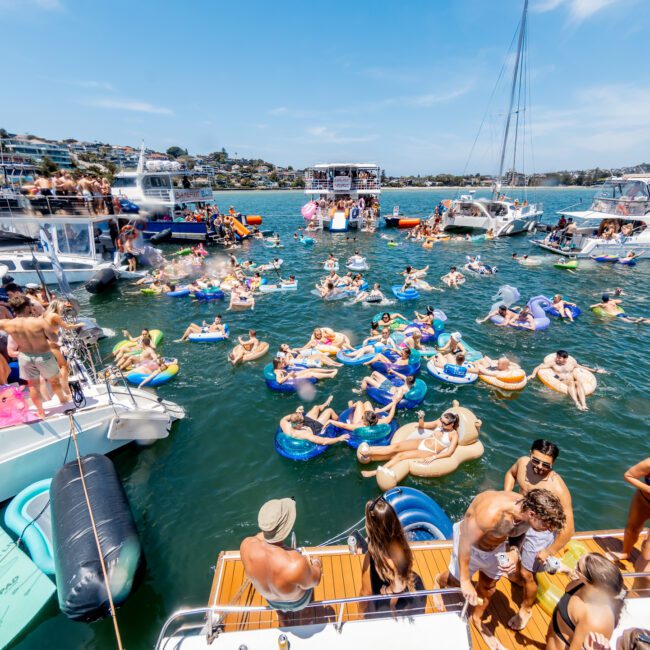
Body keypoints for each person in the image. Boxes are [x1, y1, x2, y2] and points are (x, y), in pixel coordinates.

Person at [434, 489, 566, 650]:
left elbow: (519, 533)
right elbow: (465, 541)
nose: (547, 530)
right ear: (532, 514)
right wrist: (465, 580)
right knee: (454, 582)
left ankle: (477, 619)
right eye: (545, 525)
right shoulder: (490, 514)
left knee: (489, 587)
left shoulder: (525, 511)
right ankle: (437, 581)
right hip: (469, 546)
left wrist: (513, 552)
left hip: (497, 547)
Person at [503, 440, 575, 630]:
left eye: (546, 464)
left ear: (553, 465)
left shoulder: (557, 487)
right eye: (536, 461)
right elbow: (510, 474)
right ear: (530, 455)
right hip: (522, 517)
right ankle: (517, 577)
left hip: (541, 529)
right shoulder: (522, 463)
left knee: (528, 573)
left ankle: (526, 609)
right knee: (510, 549)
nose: (540, 467)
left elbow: (569, 529)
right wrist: (507, 495)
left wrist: (549, 551)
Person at [240, 498, 322, 621]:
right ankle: (306, 614)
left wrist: (271, 530)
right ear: (286, 528)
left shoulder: (246, 546)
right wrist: (316, 563)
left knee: (279, 607)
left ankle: (282, 618)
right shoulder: (296, 564)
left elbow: (258, 537)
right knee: (307, 586)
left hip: (271, 601)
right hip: (298, 602)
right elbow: (315, 580)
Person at [0, 295, 70, 419]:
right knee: (54, 380)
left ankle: (41, 411)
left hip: (25, 357)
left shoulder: (6, 324)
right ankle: (62, 400)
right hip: (43, 356)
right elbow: (54, 338)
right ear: (27, 307)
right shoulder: (39, 322)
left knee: (33, 386)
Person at [358, 495, 426, 616]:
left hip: (398, 596)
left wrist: (360, 614)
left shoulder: (389, 558)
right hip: (411, 584)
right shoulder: (398, 540)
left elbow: (366, 593)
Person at [545, 554, 626, 650]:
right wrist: (567, 570)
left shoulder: (595, 621)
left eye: (578, 567)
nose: (575, 567)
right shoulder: (583, 584)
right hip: (552, 637)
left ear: (593, 584)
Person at [359, 410, 460, 480]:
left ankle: (375, 472)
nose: (442, 424)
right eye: (442, 421)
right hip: (422, 442)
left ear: (451, 424)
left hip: (429, 451)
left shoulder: (453, 435)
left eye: (445, 424)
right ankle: (370, 452)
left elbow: (449, 452)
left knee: (400, 456)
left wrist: (434, 457)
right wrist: (421, 418)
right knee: (396, 447)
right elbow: (422, 426)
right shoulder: (439, 423)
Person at [608, 458, 650, 585]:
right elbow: (628, 475)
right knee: (632, 529)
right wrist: (648, 489)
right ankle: (625, 553)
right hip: (643, 500)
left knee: (647, 554)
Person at [528, 350, 607, 411]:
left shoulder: (571, 363)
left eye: (559, 357)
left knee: (578, 382)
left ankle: (584, 404)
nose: (557, 359)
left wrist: (595, 371)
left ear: (565, 358)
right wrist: (533, 374)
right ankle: (576, 403)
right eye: (557, 357)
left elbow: (581, 367)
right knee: (572, 383)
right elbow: (538, 367)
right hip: (562, 381)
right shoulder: (553, 364)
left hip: (572, 380)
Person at [279, 399, 349, 446]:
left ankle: (323, 405)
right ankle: (338, 421)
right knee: (329, 410)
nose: (303, 422)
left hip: (303, 425)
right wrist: (338, 438)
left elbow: (285, 418)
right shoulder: (304, 434)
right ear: (298, 424)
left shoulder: (285, 424)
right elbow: (324, 441)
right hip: (314, 428)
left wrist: (297, 413)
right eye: (302, 421)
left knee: (315, 407)